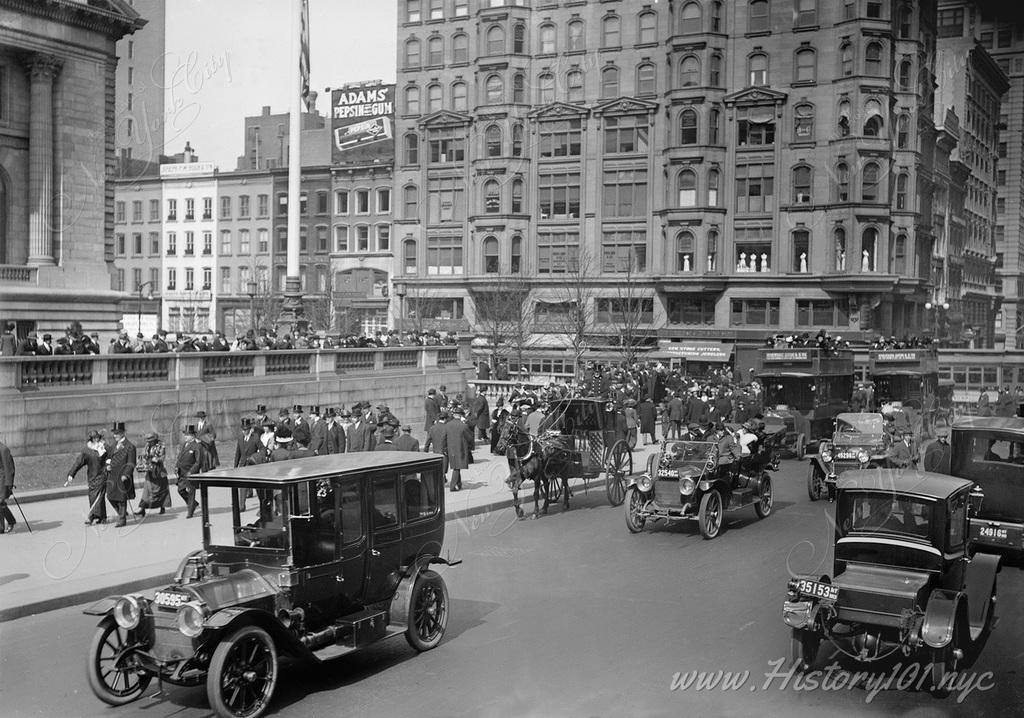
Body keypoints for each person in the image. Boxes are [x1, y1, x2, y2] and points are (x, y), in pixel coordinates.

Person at [67, 430, 109, 524]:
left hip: (102, 475)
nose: (96, 439)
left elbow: (111, 456)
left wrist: (109, 463)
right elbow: (78, 463)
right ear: (91, 439)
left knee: (99, 497)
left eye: (97, 437)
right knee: (93, 496)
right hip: (92, 477)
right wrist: (71, 474)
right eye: (94, 438)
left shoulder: (104, 447)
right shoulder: (86, 451)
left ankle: (91, 516)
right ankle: (102, 516)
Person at [105, 422, 136, 527]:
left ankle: (122, 519)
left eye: (117, 433)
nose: (115, 435)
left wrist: (126, 474)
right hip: (112, 475)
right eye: (114, 433)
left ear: (123, 433)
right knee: (110, 496)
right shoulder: (113, 445)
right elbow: (108, 458)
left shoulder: (130, 446)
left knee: (121, 497)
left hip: (122, 476)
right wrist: (107, 465)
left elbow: (131, 463)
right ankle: (122, 513)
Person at [135, 432, 169, 517]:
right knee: (146, 490)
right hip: (149, 470)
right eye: (148, 440)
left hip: (158, 471)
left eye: (151, 440)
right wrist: (142, 460)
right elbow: (144, 455)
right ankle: (142, 509)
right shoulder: (147, 446)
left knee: (161, 490)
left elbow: (163, 457)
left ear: (155, 440)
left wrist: (157, 459)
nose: (149, 442)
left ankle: (162, 506)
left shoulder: (161, 446)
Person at [176, 425, 202, 518]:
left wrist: (192, 471)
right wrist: (176, 467)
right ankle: (193, 504)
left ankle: (190, 511)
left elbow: (198, 462)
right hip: (182, 472)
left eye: (187, 435)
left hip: (191, 473)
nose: (185, 436)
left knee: (191, 492)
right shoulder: (184, 445)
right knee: (181, 490)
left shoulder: (197, 446)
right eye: (185, 434)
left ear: (193, 435)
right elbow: (180, 457)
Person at [443, 408, 471, 491]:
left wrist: (444, 448)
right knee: (457, 467)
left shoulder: (447, 425)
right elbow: (469, 437)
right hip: (460, 449)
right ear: (461, 415)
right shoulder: (463, 425)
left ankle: (459, 483)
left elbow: (444, 438)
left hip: (450, 449)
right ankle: (453, 485)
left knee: (456, 466)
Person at [0, 438, 17, 533]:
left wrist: (9, 484)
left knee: (0, 502)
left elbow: (9, 468)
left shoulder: (3, 449)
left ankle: (10, 521)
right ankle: (2, 527)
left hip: (2, 481)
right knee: (1, 504)